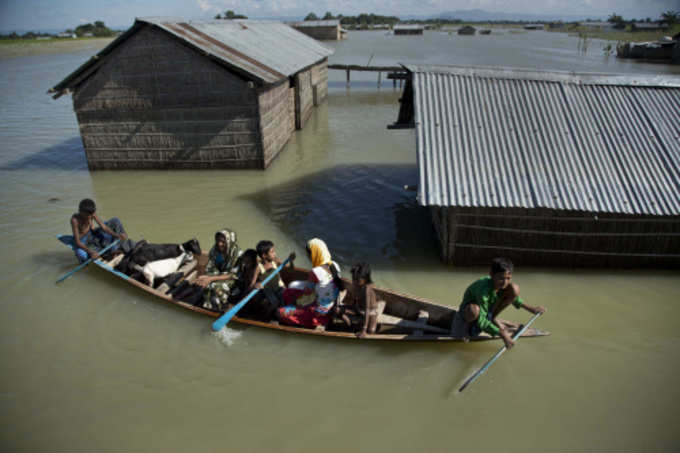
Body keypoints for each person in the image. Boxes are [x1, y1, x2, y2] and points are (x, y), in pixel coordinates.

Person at [452, 257, 546, 348]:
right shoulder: (482, 290)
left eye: (508, 278)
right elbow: (481, 320)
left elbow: (514, 298)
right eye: (501, 278)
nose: (505, 282)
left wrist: (531, 309)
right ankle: (466, 329)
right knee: (473, 310)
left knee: (514, 289)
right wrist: (501, 333)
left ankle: (492, 318)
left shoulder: (501, 285)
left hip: (487, 311)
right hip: (469, 315)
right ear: (491, 274)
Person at [277, 238, 344, 329]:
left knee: (280, 312)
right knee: (290, 291)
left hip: (318, 314)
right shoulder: (335, 265)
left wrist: (294, 304)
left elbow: (306, 294)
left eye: (309, 254)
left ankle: (305, 321)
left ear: (314, 254)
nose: (308, 257)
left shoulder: (315, 272)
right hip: (330, 307)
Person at [69, 198, 127, 262]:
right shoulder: (75, 220)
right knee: (82, 255)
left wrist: (117, 235)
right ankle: (107, 252)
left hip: (92, 233)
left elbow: (103, 227)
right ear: (80, 211)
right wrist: (91, 252)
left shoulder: (91, 213)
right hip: (84, 239)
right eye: (87, 215)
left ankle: (116, 247)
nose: (89, 216)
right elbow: (77, 241)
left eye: (91, 215)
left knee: (115, 220)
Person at [196, 229, 240, 311]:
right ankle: (209, 305)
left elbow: (232, 275)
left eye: (223, 242)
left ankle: (223, 306)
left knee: (214, 286)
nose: (219, 244)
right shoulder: (215, 249)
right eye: (218, 241)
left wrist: (210, 279)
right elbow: (210, 266)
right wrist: (205, 276)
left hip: (232, 279)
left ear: (229, 241)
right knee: (203, 282)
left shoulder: (237, 254)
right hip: (218, 274)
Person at [337, 261, 384, 338]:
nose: (354, 281)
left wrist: (364, 330)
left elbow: (367, 309)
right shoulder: (357, 284)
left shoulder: (367, 289)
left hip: (370, 312)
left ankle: (360, 326)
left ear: (365, 279)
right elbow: (356, 298)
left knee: (371, 332)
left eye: (357, 280)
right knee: (337, 310)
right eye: (353, 278)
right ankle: (350, 325)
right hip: (358, 308)